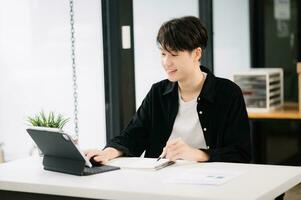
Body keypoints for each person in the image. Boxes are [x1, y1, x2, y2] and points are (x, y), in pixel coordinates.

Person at [85, 16, 251, 164]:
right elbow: (133, 136)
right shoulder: (158, 92)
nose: (166, 62)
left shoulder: (228, 93)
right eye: (163, 54)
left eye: (174, 54)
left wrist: (195, 154)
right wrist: (107, 153)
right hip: (161, 180)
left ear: (196, 54)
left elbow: (240, 153)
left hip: (212, 181)